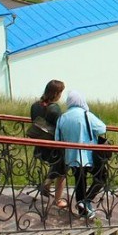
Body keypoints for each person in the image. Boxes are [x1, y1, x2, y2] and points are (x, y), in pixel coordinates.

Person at [55, 91, 108, 220]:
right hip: (87, 155)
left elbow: (58, 138)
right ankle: (86, 201)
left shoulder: (63, 117)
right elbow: (102, 128)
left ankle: (83, 210)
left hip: (72, 156)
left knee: (80, 182)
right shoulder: (86, 114)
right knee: (102, 177)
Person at [31, 80, 68, 210]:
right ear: (56, 93)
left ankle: (47, 182)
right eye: (60, 92)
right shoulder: (54, 108)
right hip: (53, 148)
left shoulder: (35, 106)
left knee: (59, 164)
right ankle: (57, 199)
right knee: (63, 168)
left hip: (40, 146)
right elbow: (61, 127)